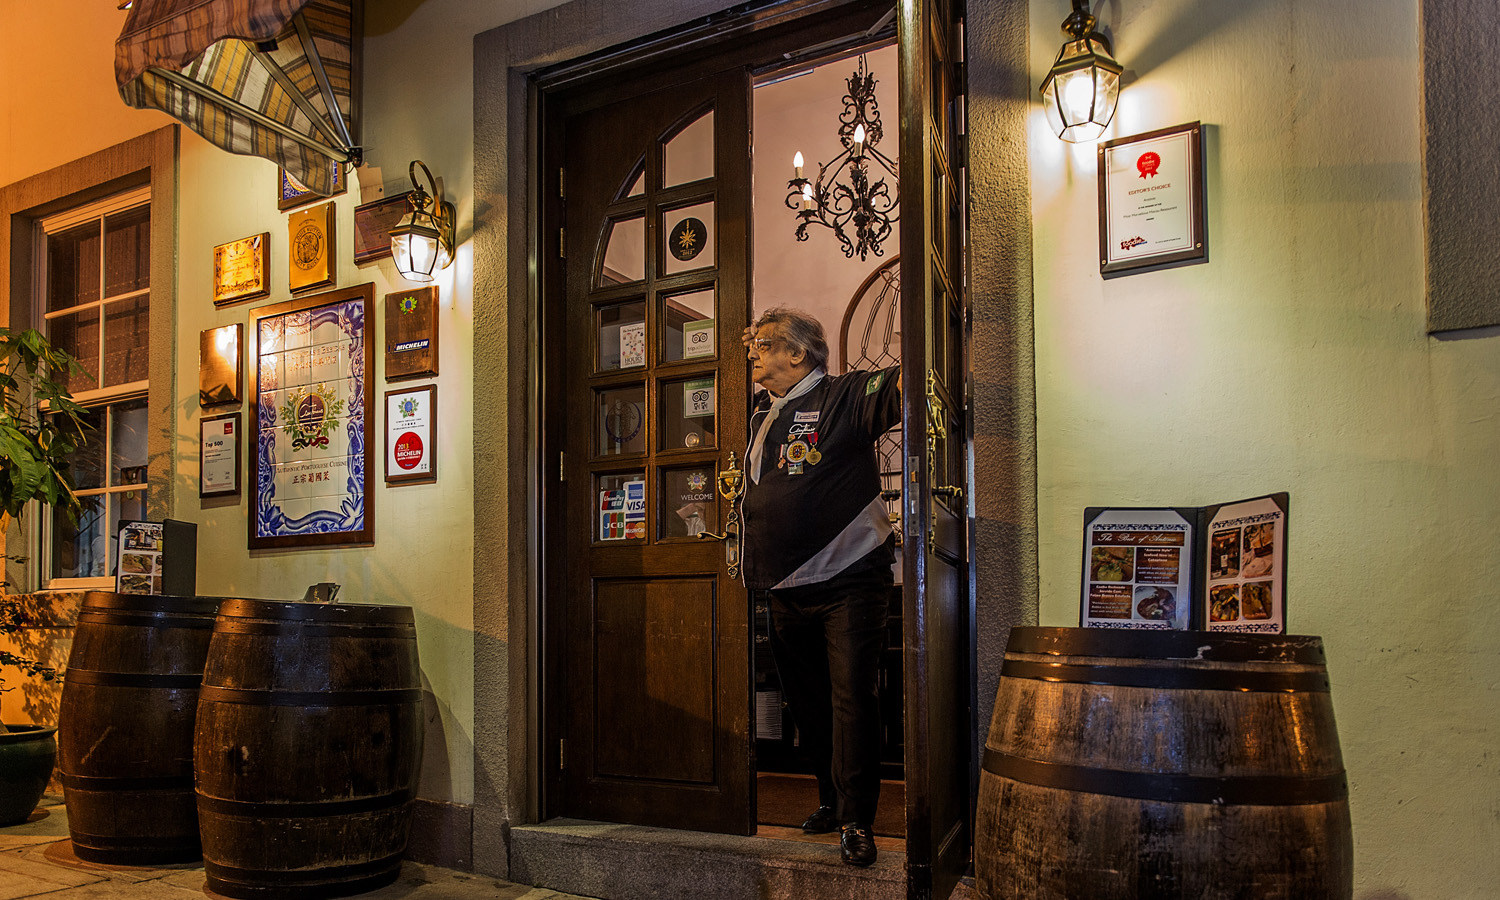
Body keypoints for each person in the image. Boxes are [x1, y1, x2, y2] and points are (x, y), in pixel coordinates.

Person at [739, 306, 900, 868]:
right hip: (782, 585)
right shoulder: (759, 413)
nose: (752, 350)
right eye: (752, 342)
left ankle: (858, 820)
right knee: (807, 704)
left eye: (762, 342)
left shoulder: (845, 396)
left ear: (798, 352)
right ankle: (831, 801)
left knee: (852, 699)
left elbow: (914, 377)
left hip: (848, 579)